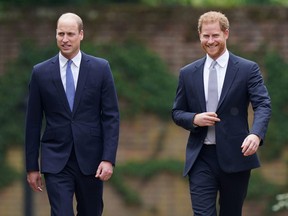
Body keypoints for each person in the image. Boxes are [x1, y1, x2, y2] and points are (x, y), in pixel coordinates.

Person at [172, 11, 271, 216]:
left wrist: (256, 134)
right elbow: (177, 112)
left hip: (236, 155)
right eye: (205, 36)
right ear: (199, 35)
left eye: (215, 35)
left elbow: (263, 104)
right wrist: (194, 119)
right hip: (201, 157)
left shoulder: (247, 69)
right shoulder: (188, 73)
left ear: (226, 33)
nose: (210, 41)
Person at [25, 12, 120, 216]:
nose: (65, 39)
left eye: (70, 34)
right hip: (56, 159)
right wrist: (32, 166)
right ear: (55, 35)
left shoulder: (100, 68)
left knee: (91, 212)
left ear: (81, 35)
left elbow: (111, 116)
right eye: (60, 34)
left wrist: (108, 158)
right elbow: (32, 122)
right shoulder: (40, 72)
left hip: (92, 160)